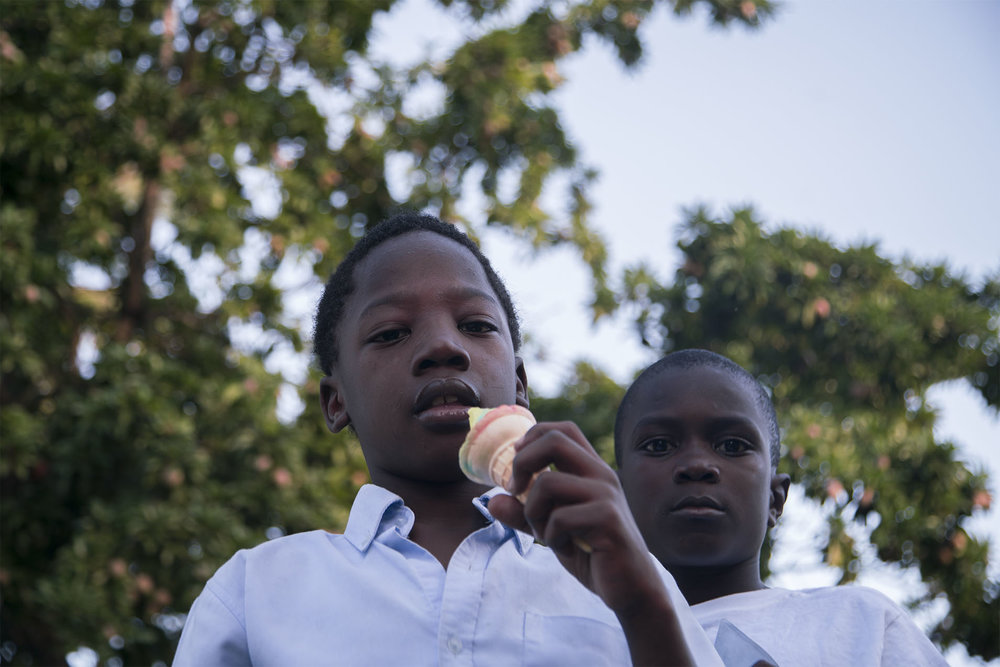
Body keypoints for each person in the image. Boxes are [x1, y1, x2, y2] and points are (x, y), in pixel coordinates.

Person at [173, 212, 721, 665]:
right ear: (336, 402)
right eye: (391, 333)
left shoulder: (631, 580)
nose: (442, 346)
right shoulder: (256, 589)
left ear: (521, 384)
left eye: (477, 325)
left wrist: (644, 608)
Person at [614, 348, 949, 666]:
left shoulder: (862, 624)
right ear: (616, 493)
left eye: (732, 445)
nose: (697, 464)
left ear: (775, 499)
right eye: (659, 445)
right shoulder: (578, 636)